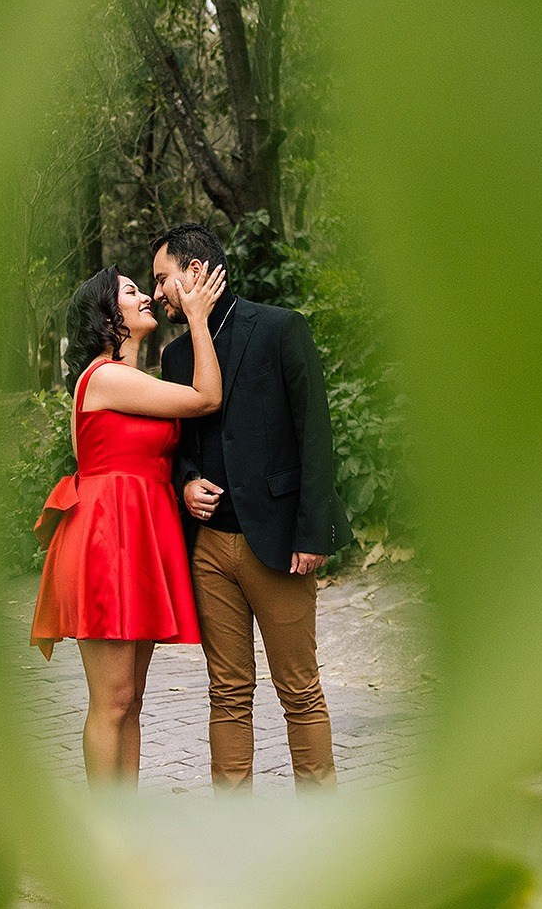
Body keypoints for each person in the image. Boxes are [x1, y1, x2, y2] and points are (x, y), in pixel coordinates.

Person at [152, 222, 352, 791]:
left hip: (281, 542)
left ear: (194, 274)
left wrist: (312, 534)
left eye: (164, 278)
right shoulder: (175, 356)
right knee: (227, 692)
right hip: (211, 548)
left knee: (300, 690)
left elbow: (316, 435)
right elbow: (180, 447)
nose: (159, 291)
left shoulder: (281, 330)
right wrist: (187, 483)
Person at [31, 261, 228, 786]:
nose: (145, 296)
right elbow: (206, 398)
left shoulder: (132, 381)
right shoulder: (106, 377)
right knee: (112, 700)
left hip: (136, 535)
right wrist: (199, 319)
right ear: (106, 315)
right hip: (105, 539)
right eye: (131, 291)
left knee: (131, 701)